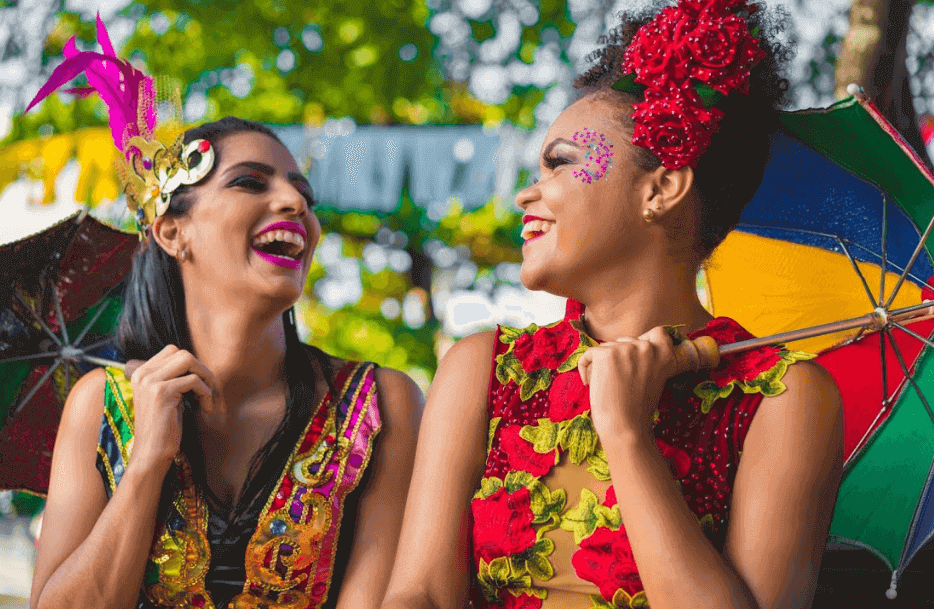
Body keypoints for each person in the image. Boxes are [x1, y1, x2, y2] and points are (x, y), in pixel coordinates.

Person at [381, 1, 843, 608]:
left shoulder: (786, 396)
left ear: (661, 187)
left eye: (561, 163)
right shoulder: (483, 369)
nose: (528, 191)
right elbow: (418, 595)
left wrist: (625, 433)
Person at [27, 22, 421, 609]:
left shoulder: (379, 404)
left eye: (303, 194)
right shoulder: (101, 405)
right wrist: (144, 466)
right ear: (172, 232)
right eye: (249, 183)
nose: (294, 204)